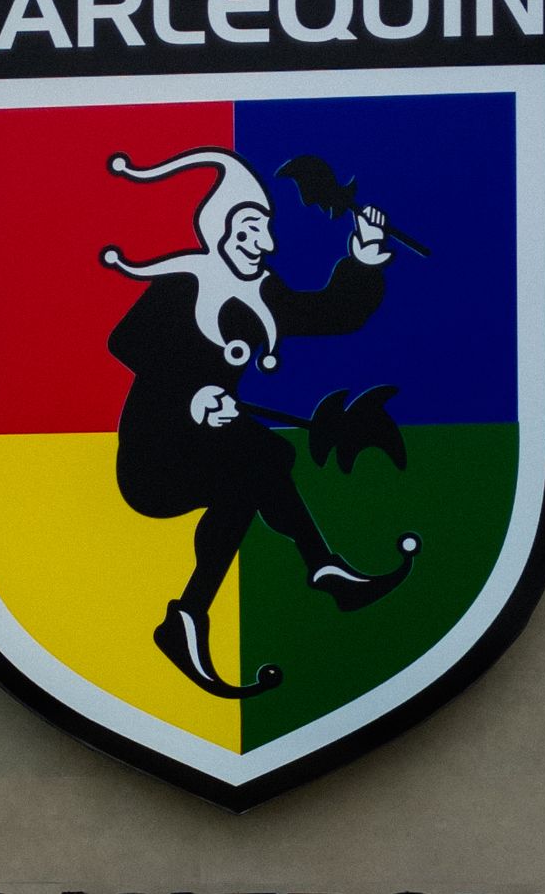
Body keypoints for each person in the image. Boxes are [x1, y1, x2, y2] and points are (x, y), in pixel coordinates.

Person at [101, 146, 417, 699]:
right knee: (260, 459)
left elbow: (330, 316)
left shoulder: (261, 293)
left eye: (266, 231)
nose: (264, 244)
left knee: (261, 463)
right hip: (155, 456)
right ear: (218, 231)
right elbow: (124, 342)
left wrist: (364, 261)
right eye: (250, 230)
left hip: (216, 448)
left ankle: (199, 614)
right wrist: (189, 394)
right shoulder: (181, 285)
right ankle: (317, 571)